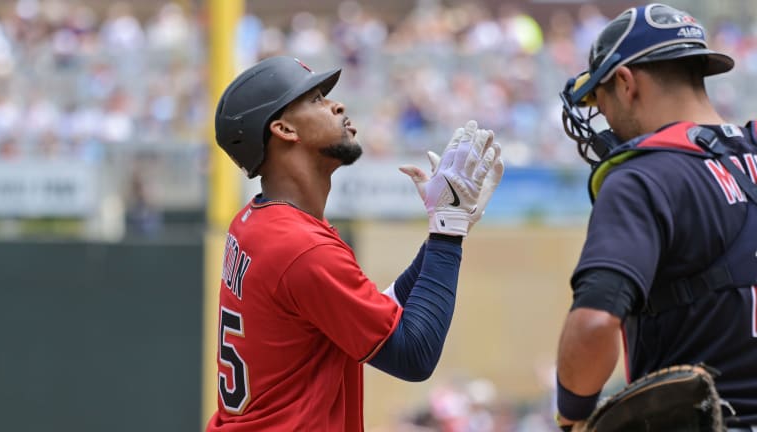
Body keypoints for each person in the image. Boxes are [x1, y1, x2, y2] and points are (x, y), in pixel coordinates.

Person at [206, 55, 505, 431]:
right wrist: (447, 232)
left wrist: (444, 232)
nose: (337, 104)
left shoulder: (257, 222)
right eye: (315, 99)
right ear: (283, 129)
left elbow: (373, 317)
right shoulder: (302, 248)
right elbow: (415, 355)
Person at [555, 3, 757, 431]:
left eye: (599, 97)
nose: (603, 116)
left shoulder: (641, 177)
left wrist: (570, 417)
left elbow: (594, 323)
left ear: (626, 83)